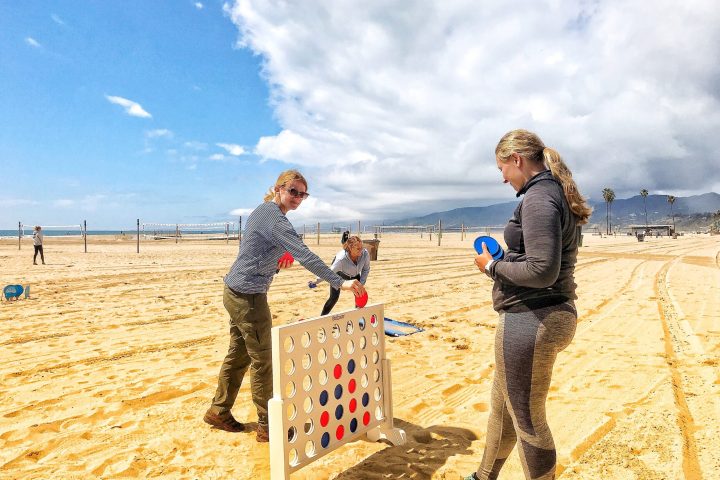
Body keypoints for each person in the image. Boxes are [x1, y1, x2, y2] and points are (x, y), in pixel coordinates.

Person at [204, 169, 365, 442]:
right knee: (262, 360)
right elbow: (305, 255)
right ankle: (269, 426)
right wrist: (339, 282)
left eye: (303, 194)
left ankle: (219, 411)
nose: (298, 198)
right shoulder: (276, 220)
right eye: (293, 191)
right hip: (248, 297)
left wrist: (276, 262)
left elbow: (254, 252)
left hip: (234, 289)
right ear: (278, 188)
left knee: (239, 354)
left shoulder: (263, 211)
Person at [467, 129, 592, 480]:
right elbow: (539, 259)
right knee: (504, 410)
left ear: (517, 160)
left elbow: (541, 271)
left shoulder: (538, 197)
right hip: (545, 315)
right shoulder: (552, 192)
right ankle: (482, 476)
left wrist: (492, 266)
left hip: (532, 317)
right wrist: (508, 257)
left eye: (502, 169)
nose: (502, 177)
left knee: (527, 418)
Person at [308, 235, 370, 315]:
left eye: (362, 247)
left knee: (359, 294)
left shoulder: (365, 254)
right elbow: (328, 272)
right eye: (358, 249)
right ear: (351, 249)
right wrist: (315, 281)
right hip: (339, 274)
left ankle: (358, 317)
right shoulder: (341, 259)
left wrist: (361, 284)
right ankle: (322, 317)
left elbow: (366, 269)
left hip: (355, 275)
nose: (361, 250)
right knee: (334, 298)